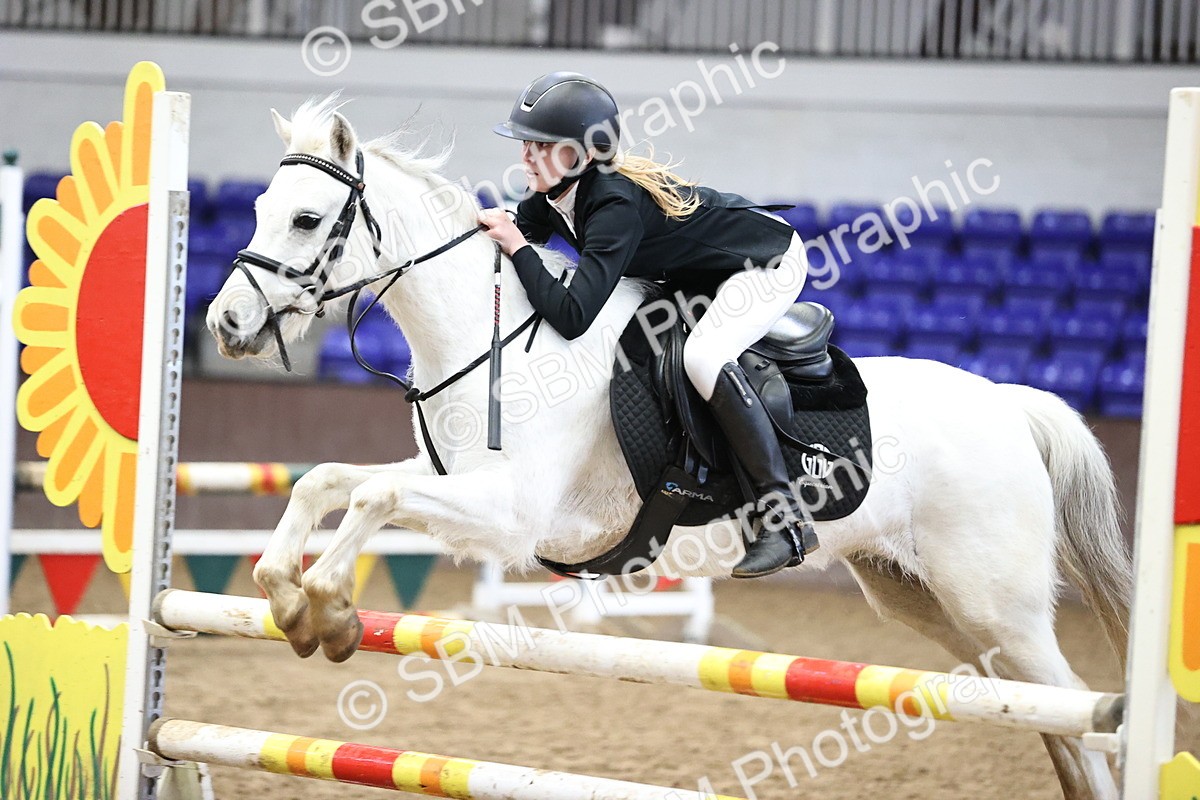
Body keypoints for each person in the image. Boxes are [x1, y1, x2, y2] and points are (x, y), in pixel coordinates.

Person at [479, 71, 816, 578]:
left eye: (540, 145)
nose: (525, 155)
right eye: (526, 143)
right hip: (698, 274)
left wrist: (520, 247)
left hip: (763, 262)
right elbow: (505, 228)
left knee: (704, 357)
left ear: (580, 155)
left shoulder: (613, 204)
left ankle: (783, 521)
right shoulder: (555, 195)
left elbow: (571, 317)